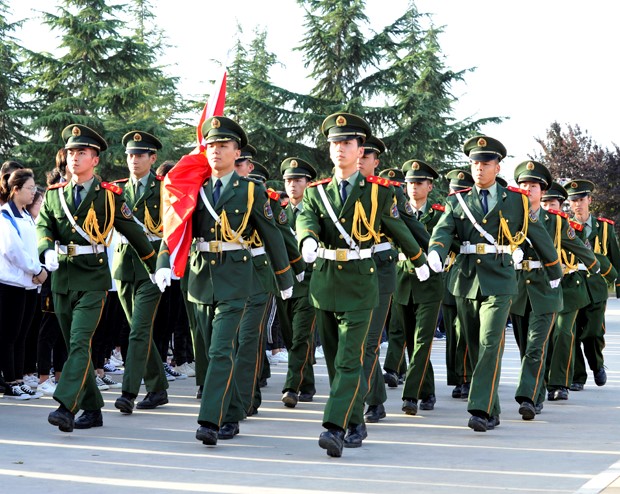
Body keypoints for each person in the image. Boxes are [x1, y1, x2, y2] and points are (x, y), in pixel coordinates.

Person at [155, 116, 294, 446]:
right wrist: (163, 262)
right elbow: (175, 229)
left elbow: (272, 234)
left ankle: (210, 420)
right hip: (201, 278)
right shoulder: (194, 188)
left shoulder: (250, 191)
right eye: (211, 145)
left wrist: (284, 277)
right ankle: (231, 414)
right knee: (209, 352)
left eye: (223, 145)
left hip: (236, 278)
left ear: (237, 152)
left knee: (220, 350)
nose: (216, 150)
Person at [296, 112, 429, 457]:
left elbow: (398, 229)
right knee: (334, 360)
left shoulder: (378, 193)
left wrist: (419, 260)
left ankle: (335, 427)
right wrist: (307, 238)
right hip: (325, 282)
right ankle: (355, 420)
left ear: (360, 150)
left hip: (360, 283)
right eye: (335, 143)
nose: (340, 148)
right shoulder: (316, 193)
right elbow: (306, 219)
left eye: (347, 143)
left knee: (349, 360)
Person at [427, 135, 563, 432]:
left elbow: (536, 233)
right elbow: (443, 231)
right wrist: (435, 251)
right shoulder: (457, 200)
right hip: (466, 280)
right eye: (475, 163)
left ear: (497, 167)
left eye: (485, 163)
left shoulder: (515, 200)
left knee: (490, 342)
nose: (479, 168)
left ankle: (480, 409)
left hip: (500, 280)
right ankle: (493, 407)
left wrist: (554, 269)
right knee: (476, 346)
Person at [36, 123, 158, 432]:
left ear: (95, 160)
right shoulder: (54, 195)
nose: (74, 158)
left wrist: (156, 266)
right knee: (75, 346)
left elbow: (136, 234)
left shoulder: (109, 196)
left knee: (79, 341)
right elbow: (44, 226)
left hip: (92, 278)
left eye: (82, 153)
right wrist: (45, 248)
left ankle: (66, 406)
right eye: (71, 152)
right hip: (62, 278)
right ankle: (92, 409)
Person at [510, 161, 598, 419]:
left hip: (547, 288)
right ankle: (537, 395)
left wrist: (596, 267)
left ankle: (527, 397)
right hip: (519, 291)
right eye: (524, 185)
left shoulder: (556, 222)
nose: (528, 189)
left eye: (534, 186)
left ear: (543, 191)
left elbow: (576, 245)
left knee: (536, 346)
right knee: (525, 348)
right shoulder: (510, 217)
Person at [112, 131, 170, 415]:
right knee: (139, 330)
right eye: (130, 155)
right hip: (124, 264)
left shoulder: (164, 188)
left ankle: (128, 392)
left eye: (139, 155)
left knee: (138, 330)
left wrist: (164, 263)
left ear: (152, 158)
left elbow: (171, 228)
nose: (134, 160)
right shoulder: (116, 190)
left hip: (151, 266)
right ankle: (158, 388)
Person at [541, 182, 599, 401]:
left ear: (560, 206)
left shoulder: (569, 227)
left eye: (553, 204)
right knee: (543, 336)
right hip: (540, 285)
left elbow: (582, 251)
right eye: (545, 204)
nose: (549, 208)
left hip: (568, 286)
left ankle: (559, 383)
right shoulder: (528, 224)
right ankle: (543, 379)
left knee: (563, 333)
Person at [396, 160, 445, 416]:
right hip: (403, 281)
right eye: (410, 183)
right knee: (410, 341)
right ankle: (427, 390)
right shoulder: (396, 212)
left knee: (423, 340)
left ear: (430, 186)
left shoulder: (439, 215)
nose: (413, 187)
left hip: (430, 285)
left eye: (419, 182)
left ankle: (411, 395)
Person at [565, 179, 620, 389]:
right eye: (573, 201)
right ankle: (578, 377)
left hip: (597, 288)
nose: (577, 204)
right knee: (572, 334)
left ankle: (597, 365)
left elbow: (615, 257)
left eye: (581, 199)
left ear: (589, 200)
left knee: (594, 332)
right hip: (572, 286)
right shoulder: (564, 226)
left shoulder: (604, 227)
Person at [0, 168, 47, 400]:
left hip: (28, 285)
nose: (33, 192)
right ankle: (10, 382)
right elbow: (13, 251)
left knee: (22, 335)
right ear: (15, 189)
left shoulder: (26, 215)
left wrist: (40, 269)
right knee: (9, 335)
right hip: (11, 285)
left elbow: (33, 247)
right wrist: (37, 270)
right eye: (29, 188)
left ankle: (18, 379)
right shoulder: (5, 216)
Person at [278, 157, 318, 408]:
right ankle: (307, 383)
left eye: (298, 180)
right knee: (291, 336)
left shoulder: (316, 210)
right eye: (288, 180)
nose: (292, 185)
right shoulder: (279, 210)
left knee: (301, 336)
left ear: (308, 183)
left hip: (310, 282)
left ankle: (291, 387)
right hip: (284, 282)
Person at [442, 169, 475, 400]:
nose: (457, 195)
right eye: (453, 191)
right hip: (450, 276)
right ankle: (456, 377)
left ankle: (468, 376)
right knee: (452, 334)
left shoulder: (474, 214)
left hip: (469, 276)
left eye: (461, 191)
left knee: (465, 331)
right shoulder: (448, 211)